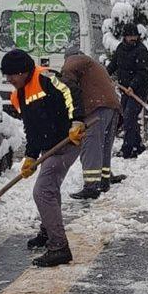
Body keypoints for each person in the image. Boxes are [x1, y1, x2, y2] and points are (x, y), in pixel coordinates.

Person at [1, 49, 86, 267]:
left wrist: (76, 120)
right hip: (50, 146)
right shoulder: (19, 94)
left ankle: (59, 247)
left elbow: (71, 91)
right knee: (49, 189)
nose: (9, 80)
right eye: (7, 76)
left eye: (12, 75)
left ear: (23, 71)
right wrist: (30, 156)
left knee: (43, 191)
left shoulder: (46, 78)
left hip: (68, 141)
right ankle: (48, 232)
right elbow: (32, 129)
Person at [60, 47, 124, 200]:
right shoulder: (93, 65)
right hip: (112, 106)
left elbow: (68, 87)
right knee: (104, 146)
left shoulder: (72, 62)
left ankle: (91, 186)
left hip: (97, 107)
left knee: (91, 145)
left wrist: (74, 115)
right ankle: (104, 179)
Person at [107, 23, 148, 159]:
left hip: (137, 91)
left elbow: (143, 73)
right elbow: (113, 64)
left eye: (135, 35)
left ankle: (127, 149)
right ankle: (138, 146)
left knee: (129, 117)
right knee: (128, 118)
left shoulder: (141, 51)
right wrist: (104, 74)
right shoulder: (121, 49)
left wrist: (133, 85)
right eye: (130, 36)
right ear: (125, 37)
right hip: (125, 90)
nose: (132, 38)